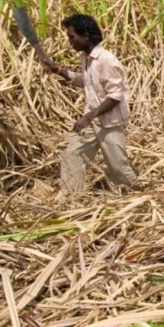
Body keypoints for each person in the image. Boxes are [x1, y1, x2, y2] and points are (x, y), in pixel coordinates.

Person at [44, 14, 138, 193]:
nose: (69, 41)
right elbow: (86, 82)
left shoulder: (106, 60)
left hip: (109, 123)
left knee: (118, 169)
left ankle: (141, 194)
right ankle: (70, 198)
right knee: (73, 156)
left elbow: (115, 96)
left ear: (85, 35)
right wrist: (59, 71)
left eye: (72, 37)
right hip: (93, 122)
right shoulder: (86, 58)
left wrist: (89, 115)